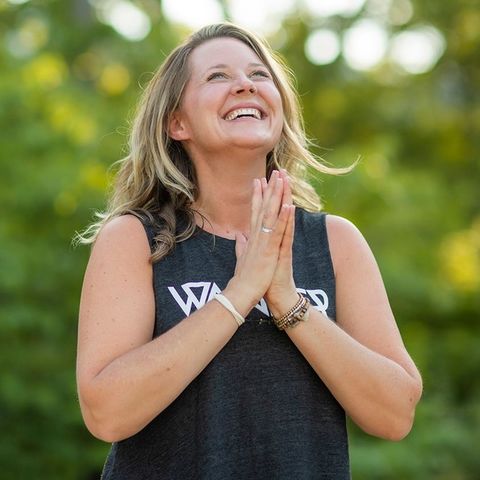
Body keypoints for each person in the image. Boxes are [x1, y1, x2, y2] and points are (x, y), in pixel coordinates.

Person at [76, 22, 422, 479]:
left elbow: (395, 414)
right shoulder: (135, 239)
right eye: (217, 76)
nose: (245, 84)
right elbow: (106, 413)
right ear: (177, 123)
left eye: (259, 74)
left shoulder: (336, 242)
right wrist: (239, 294)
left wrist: (287, 300)